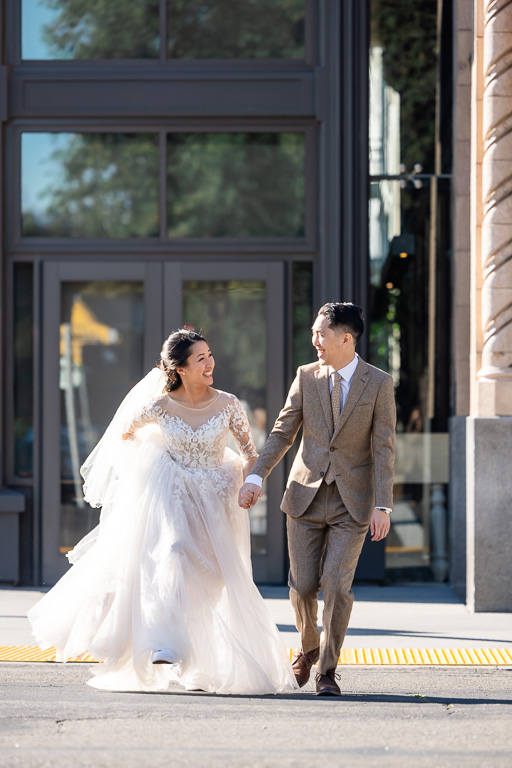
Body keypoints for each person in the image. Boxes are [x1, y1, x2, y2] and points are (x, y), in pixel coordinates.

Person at [29, 330, 297, 696]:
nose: (209, 363)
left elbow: (250, 452)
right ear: (180, 369)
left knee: (211, 579)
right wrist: (154, 459)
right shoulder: (158, 406)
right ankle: (163, 642)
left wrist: (251, 480)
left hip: (217, 497)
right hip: (173, 493)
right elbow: (123, 436)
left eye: (209, 355)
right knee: (173, 552)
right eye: (200, 358)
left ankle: (200, 666)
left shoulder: (229, 404)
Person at [239, 302, 396, 696]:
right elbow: (282, 431)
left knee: (336, 586)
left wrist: (383, 504)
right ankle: (308, 647)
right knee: (303, 585)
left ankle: (327, 669)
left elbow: (383, 447)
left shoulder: (378, 383)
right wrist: (258, 474)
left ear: (346, 338)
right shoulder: (306, 376)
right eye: (313, 333)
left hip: (353, 502)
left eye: (320, 334)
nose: (314, 341)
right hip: (304, 496)